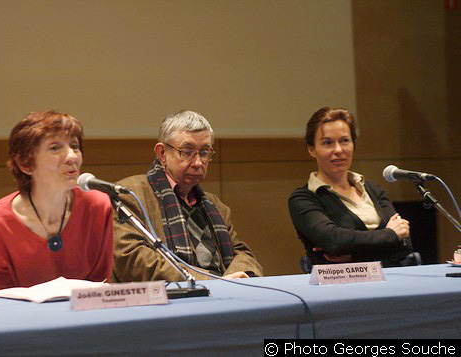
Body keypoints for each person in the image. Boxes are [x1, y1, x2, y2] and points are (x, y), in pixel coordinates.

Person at [112, 110, 263, 282]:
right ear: (162, 153)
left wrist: (234, 278)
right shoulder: (129, 194)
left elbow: (242, 254)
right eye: (187, 151)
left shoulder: (216, 205)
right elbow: (132, 260)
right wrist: (214, 283)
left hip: (222, 296)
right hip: (166, 302)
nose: (198, 163)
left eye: (204, 152)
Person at [0, 110, 113, 294]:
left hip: (89, 315)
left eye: (75, 146)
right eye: (55, 148)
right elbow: (1, 300)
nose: (72, 156)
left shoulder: (99, 207)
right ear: (25, 163)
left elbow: (101, 286)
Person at [288, 107, 412, 267]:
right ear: (312, 149)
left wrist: (354, 255)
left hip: (389, 282)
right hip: (338, 288)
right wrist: (390, 236)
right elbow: (334, 242)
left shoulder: (373, 189)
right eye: (327, 143)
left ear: (353, 144)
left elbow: (405, 243)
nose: (338, 150)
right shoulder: (303, 198)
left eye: (344, 141)